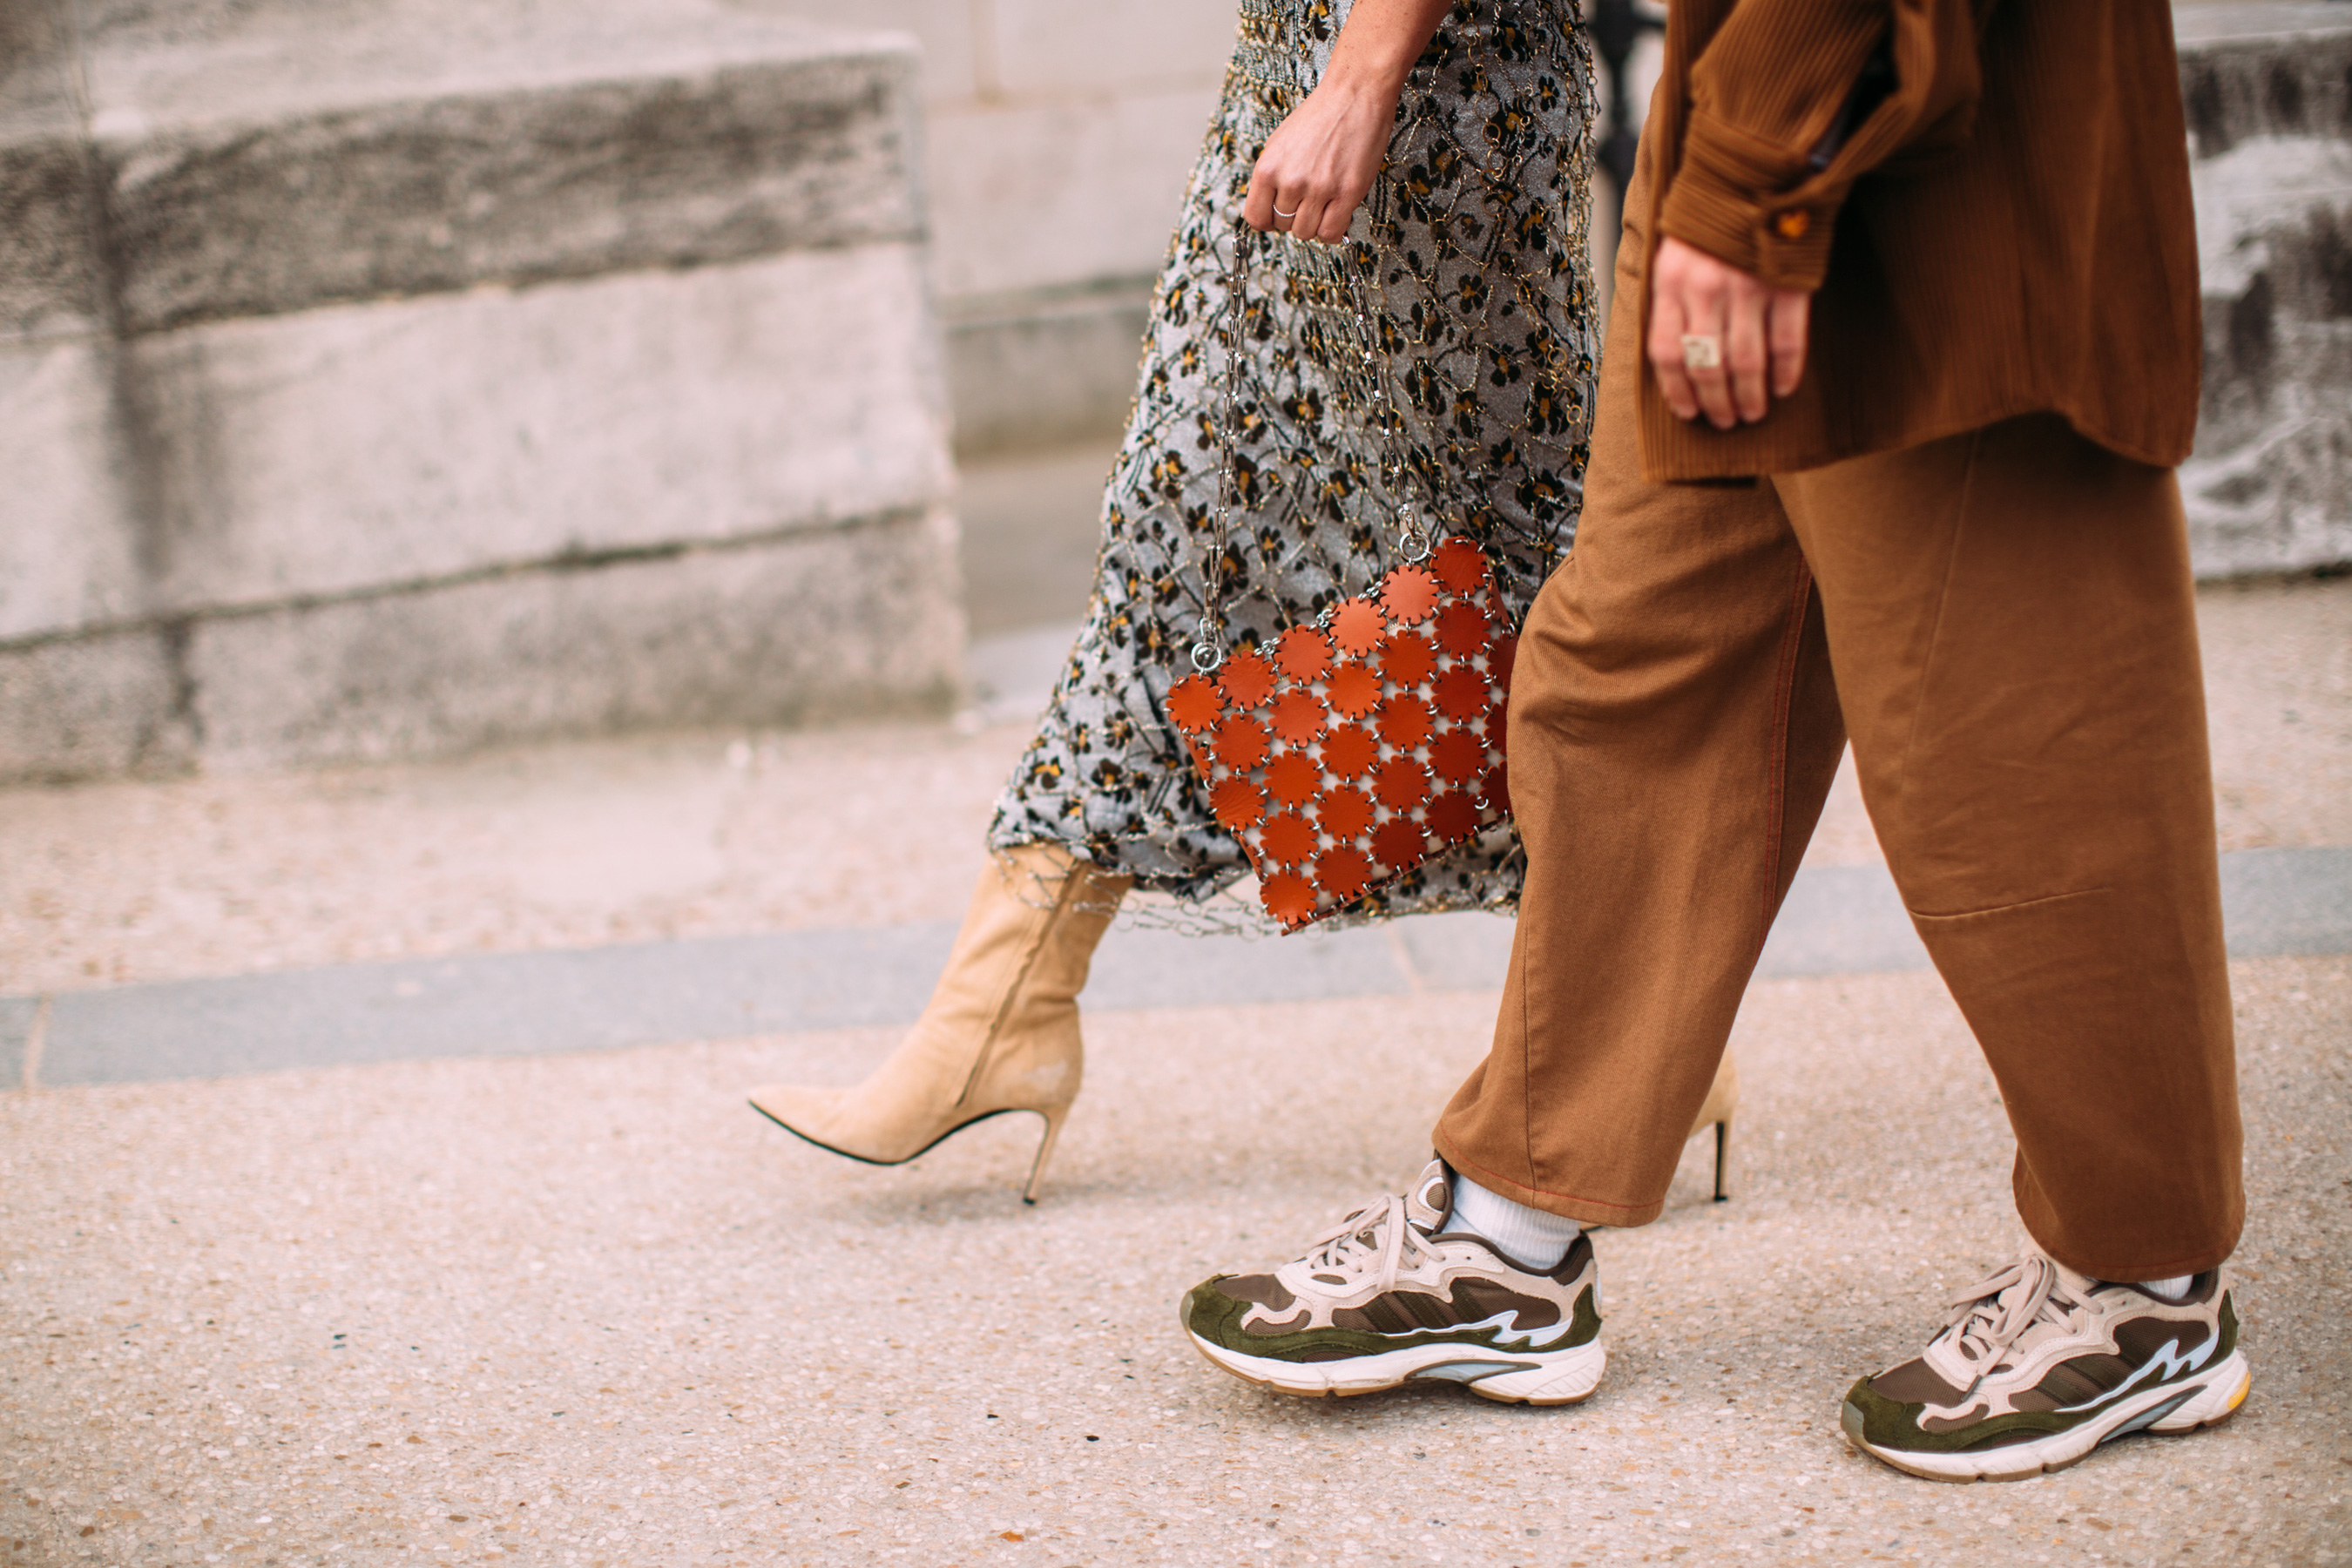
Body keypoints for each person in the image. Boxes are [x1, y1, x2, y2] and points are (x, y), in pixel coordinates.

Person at [1181, 0, 2252, 1484]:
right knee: (1634, 672)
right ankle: (1509, 1234)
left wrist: (1758, 178)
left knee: (2005, 743)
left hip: (1914, 134)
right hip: (1745, 114)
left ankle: (2145, 1288)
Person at [744, 0, 1739, 1202]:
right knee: (1337, 557)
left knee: (1324, 551)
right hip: (1314, 67)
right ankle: (1647, 1032)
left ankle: (1001, 1017)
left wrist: (1362, 80)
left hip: (1419, 86)